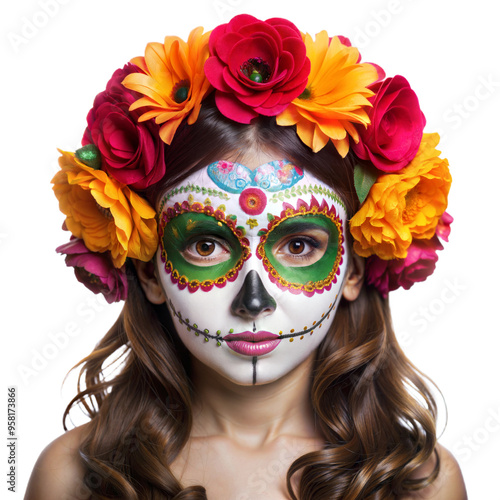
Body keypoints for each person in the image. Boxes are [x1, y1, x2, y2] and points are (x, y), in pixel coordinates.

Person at [25, 14, 467, 500]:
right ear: (151, 271)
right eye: (205, 244)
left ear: (353, 269)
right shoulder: (74, 476)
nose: (253, 301)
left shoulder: (418, 480)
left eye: (299, 245)